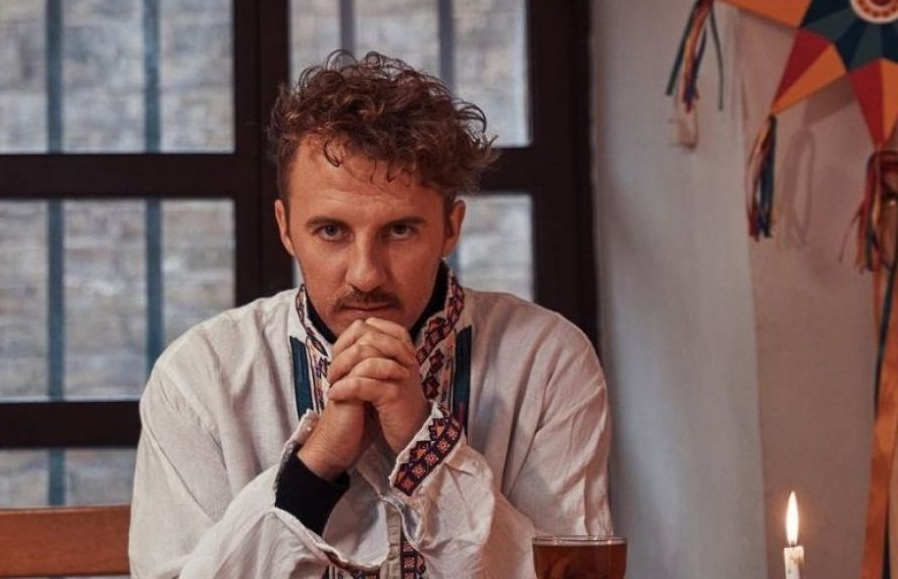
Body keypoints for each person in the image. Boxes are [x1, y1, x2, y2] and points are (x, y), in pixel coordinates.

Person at [129, 51, 611, 578]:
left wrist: (424, 441)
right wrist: (313, 469)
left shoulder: (547, 361)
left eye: (399, 230)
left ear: (451, 228)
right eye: (331, 231)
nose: (365, 275)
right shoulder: (199, 377)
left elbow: (575, 573)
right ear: (286, 227)